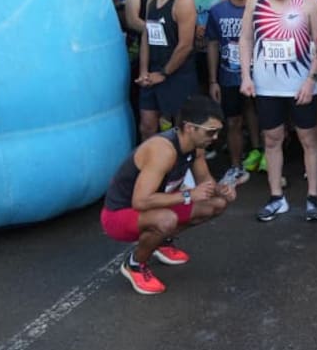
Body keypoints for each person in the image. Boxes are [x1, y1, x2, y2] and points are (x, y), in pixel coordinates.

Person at [100, 96, 237, 295]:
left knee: (217, 204)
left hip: (156, 206)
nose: (215, 137)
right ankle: (135, 264)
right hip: (119, 215)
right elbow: (140, 201)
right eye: (210, 131)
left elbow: (206, 184)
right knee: (166, 220)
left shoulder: (196, 147)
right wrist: (189, 195)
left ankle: (160, 242)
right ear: (190, 128)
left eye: (217, 131)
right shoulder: (163, 150)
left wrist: (222, 189)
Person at [239, 0, 317, 221]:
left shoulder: (309, 1)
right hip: (267, 86)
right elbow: (245, 38)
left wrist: (311, 80)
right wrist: (246, 76)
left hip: (299, 84)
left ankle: (313, 196)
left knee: (308, 140)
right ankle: (276, 196)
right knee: (272, 139)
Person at [206, 0, 259, 187]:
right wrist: (213, 80)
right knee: (233, 121)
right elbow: (212, 45)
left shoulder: (261, 9)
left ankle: (262, 156)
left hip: (259, 76)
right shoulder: (218, 11)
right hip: (228, 76)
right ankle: (236, 166)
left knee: (259, 117)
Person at [136, 0, 197, 140]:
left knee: (181, 128)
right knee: (147, 125)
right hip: (153, 71)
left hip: (177, 73)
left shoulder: (183, 1)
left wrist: (163, 74)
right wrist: (144, 71)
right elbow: (147, 34)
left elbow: (185, 45)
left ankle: (182, 167)